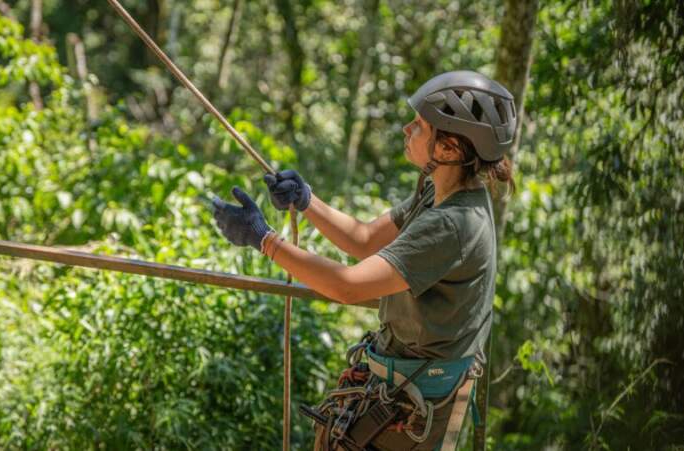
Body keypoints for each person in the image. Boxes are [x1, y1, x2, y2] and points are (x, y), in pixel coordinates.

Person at [211, 70, 517, 450]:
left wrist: (263, 240)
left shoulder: (454, 224)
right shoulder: (442, 191)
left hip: (416, 400)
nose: (407, 129)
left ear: (450, 149)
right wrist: (306, 201)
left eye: (420, 126)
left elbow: (348, 286)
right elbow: (365, 239)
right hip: (401, 382)